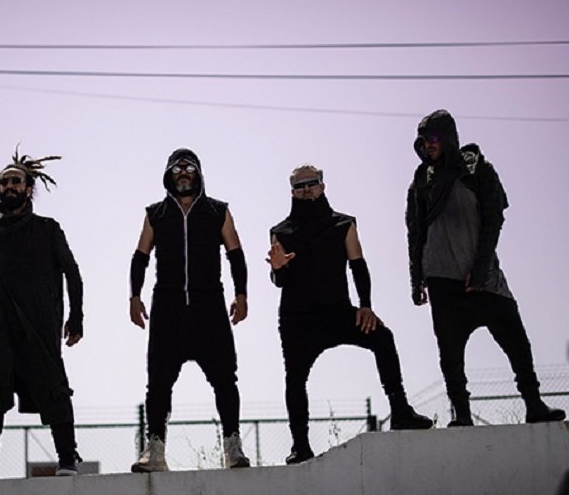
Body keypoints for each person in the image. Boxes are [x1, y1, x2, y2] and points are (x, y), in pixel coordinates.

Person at [406, 109, 565, 426]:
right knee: (450, 353)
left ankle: (534, 405)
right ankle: (462, 415)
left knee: (516, 340)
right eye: (422, 141)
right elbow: (415, 231)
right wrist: (416, 279)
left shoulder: (478, 170)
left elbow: (494, 218)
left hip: (484, 278)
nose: (428, 145)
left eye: (433, 138)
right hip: (441, 279)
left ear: (449, 138)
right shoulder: (422, 180)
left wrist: (480, 269)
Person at [268, 165, 432, 465]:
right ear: (292, 192)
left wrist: (365, 305)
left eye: (312, 183)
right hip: (299, 320)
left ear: (322, 186)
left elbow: (358, 265)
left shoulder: (343, 224)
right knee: (295, 377)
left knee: (383, 338)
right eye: (300, 186)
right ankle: (300, 445)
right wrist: (278, 269)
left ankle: (400, 412)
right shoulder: (280, 232)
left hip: (338, 313)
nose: (306, 189)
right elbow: (280, 280)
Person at [0, 148, 84, 479]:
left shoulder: (48, 229)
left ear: (28, 188)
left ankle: (67, 459)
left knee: (53, 387)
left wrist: (76, 317)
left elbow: (72, 272)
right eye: (4, 182)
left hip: (38, 322)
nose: (9, 186)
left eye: (16, 181)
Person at [129, 148, 251, 472]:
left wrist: (241, 294)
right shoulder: (155, 214)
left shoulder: (217, 211)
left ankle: (232, 447)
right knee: (158, 383)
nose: (183, 173)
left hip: (209, 307)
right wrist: (134, 296)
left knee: (225, 379)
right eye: (176, 169)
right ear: (168, 175)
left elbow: (235, 254)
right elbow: (140, 256)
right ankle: (155, 451)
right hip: (167, 308)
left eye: (189, 168)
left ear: (198, 173)